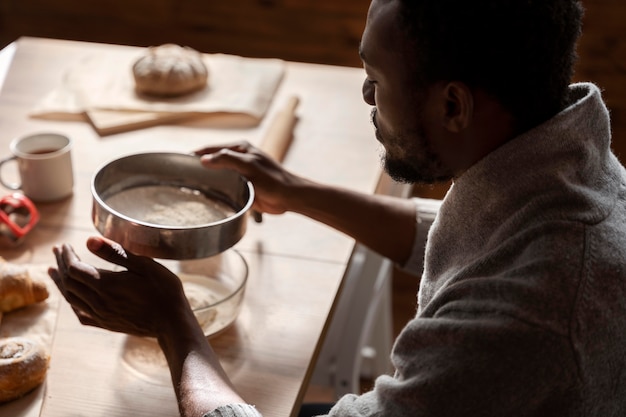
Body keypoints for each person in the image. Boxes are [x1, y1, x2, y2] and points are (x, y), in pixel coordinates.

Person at [48, 0, 626, 416]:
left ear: (454, 105)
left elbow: (502, 287)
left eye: (376, 79)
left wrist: (170, 322)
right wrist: (298, 192)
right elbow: (469, 242)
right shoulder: (566, 164)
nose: (367, 97)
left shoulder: (524, 320)